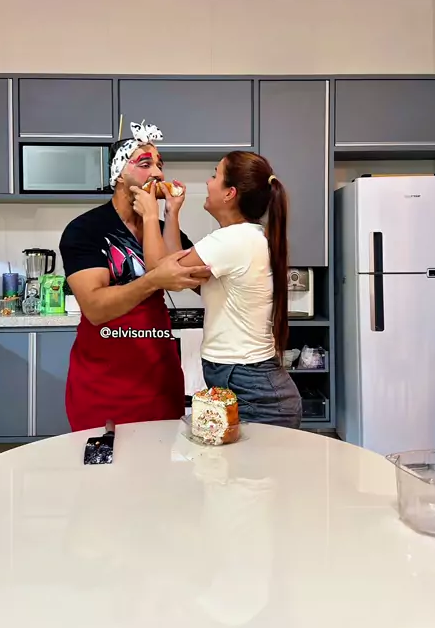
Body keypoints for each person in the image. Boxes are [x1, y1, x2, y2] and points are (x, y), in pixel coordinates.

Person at [59, 120, 211, 432]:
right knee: (104, 460)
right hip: (103, 382)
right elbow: (95, 307)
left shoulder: (161, 228)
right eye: (145, 164)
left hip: (160, 377)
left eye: (160, 165)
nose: (158, 174)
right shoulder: (86, 230)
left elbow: (200, 281)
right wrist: (154, 280)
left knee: (159, 459)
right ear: (119, 174)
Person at [132, 150, 302, 427]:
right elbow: (176, 267)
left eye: (215, 176)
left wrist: (150, 216)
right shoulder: (244, 238)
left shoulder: (232, 240)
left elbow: (159, 270)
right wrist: (171, 212)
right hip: (249, 381)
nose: (208, 182)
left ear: (229, 193)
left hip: (253, 389)